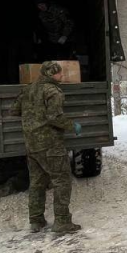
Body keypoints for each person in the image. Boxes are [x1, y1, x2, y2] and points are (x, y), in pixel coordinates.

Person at [11, 60, 82, 233]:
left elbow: (14, 110)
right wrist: (72, 125)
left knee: (37, 182)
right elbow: (54, 117)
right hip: (51, 145)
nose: (62, 76)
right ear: (51, 74)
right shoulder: (53, 91)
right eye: (59, 73)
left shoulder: (28, 89)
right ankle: (62, 221)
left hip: (32, 145)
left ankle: (36, 221)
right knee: (62, 181)